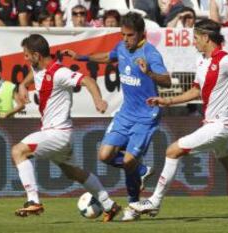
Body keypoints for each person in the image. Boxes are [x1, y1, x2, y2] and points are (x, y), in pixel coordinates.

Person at [129, 19, 228, 217]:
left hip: (221, 125)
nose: (193, 42)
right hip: (215, 124)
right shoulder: (202, 61)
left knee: (172, 151)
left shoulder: (226, 60)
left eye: (196, 38)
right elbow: (196, 90)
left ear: (206, 38)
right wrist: (167, 101)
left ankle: (154, 202)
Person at [62, 12, 172, 221]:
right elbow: (107, 57)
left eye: (129, 35)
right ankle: (141, 170)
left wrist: (150, 73)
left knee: (128, 160)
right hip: (126, 113)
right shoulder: (122, 47)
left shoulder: (151, 54)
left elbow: (167, 80)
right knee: (104, 155)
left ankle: (133, 205)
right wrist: (81, 57)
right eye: (122, 35)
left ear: (142, 34)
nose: (125, 39)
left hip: (146, 116)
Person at [13, 34, 121, 222]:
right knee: (74, 172)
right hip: (60, 133)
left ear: (37, 55)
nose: (25, 59)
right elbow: (33, 72)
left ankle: (33, 200)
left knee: (18, 151)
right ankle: (109, 204)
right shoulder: (38, 67)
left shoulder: (59, 73)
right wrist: (23, 84)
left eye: (26, 55)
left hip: (57, 133)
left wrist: (98, 99)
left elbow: (88, 80)